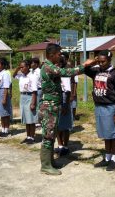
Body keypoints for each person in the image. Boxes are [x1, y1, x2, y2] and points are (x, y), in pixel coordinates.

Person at [39, 43, 95, 175]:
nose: (60, 56)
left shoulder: (51, 65)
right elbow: (66, 72)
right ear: (51, 55)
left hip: (54, 105)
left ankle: (50, 161)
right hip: (49, 106)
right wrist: (84, 65)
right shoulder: (47, 67)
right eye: (58, 54)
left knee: (52, 134)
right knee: (48, 135)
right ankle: (45, 165)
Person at [85, 50, 115, 172]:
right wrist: (95, 61)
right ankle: (107, 158)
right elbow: (85, 68)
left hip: (110, 107)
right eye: (99, 61)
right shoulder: (96, 71)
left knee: (113, 134)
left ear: (109, 60)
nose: (101, 64)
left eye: (103, 61)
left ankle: (114, 159)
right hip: (99, 106)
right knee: (105, 134)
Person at [13, 60, 38, 144]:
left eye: (22, 67)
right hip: (23, 96)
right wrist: (17, 69)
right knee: (26, 118)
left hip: (30, 96)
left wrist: (33, 103)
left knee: (31, 118)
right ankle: (28, 136)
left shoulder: (32, 76)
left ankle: (32, 137)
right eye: (20, 67)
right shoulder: (21, 76)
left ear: (28, 67)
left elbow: (34, 91)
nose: (21, 69)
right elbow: (14, 75)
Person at [55, 54, 73, 156]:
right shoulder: (54, 73)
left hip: (63, 99)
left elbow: (67, 91)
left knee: (65, 125)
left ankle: (65, 146)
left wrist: (65, 105)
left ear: (62, 64)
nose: (56, 65)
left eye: (58, 63)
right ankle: (60, 145)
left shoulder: (64, 74)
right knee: (57, 124)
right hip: (56, 99)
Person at [31, 57, 42, 126]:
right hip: (32, 90)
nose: (31, 64)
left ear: (36, 64)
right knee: (34, 104)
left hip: (38, 89)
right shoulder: (31, 71)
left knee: (38, 105)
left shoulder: (39, 71)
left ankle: (38, 121)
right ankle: (35, 119)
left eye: (32, 63)